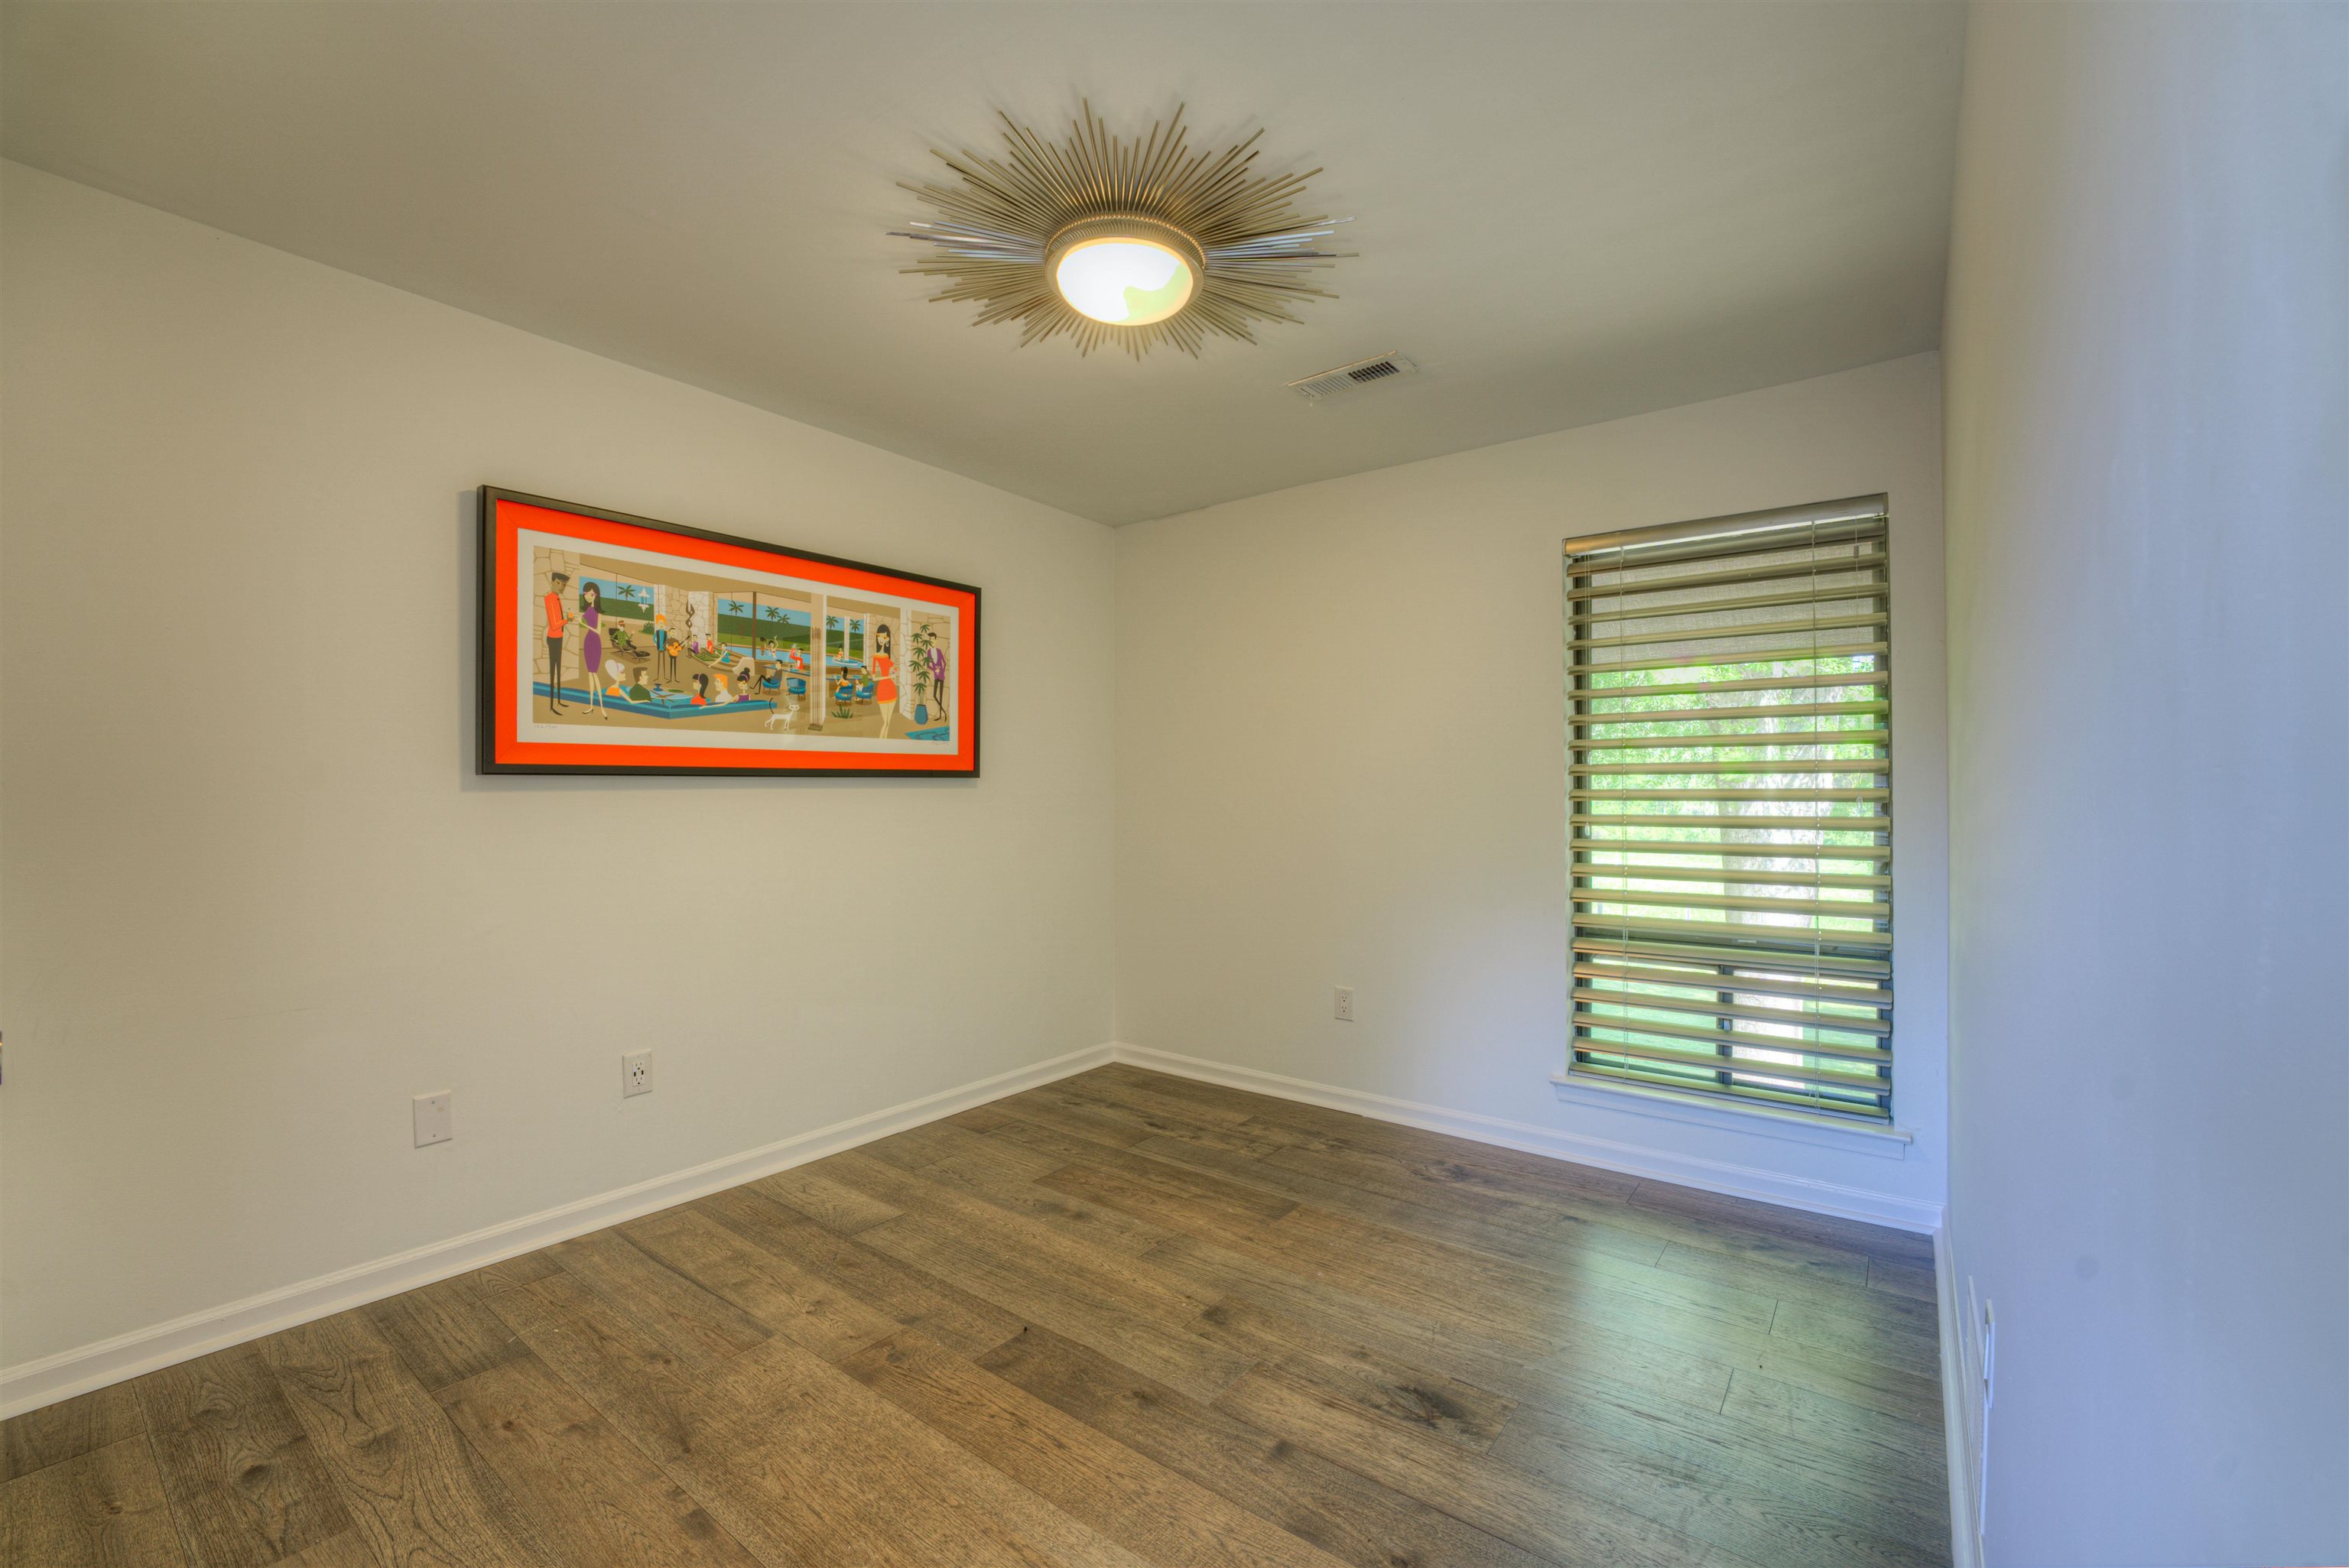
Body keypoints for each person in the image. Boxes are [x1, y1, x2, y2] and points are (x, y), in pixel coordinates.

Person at [576, 582, 609, 719]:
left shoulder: (598, 612)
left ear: (595, 595)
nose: (587, 596)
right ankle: (590, 706)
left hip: (595, 642)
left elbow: (598, 632)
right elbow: (580, 618)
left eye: (589, 594)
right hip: (588, 642)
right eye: (585, 594)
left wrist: (584, 624)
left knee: (595, 674)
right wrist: (578, 619)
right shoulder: (588, 610)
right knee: (589, 674)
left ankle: (601, 707)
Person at [542, 571, 570, 711]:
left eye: (564, 585)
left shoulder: (558, 599)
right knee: (553, 672)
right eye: (559, 583)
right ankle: (552, 705)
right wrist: (567, 620)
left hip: (559, 638)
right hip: (553, 639)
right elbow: (554, 624)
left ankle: (559, 701)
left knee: (559, 670)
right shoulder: (549, 599)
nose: (561, 587)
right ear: (552, 582)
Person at [869, 622, 898, 739]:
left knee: (889, 723)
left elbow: (893, 670)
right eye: (879, 636)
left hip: (892, 689)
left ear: (887, 640)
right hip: (883, 690)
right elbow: (874, 677)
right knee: (885, 722)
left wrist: (894, 673)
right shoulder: (876, 656)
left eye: (884, 637)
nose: (881, 639)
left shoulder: (887, 656)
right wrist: (888, 677)